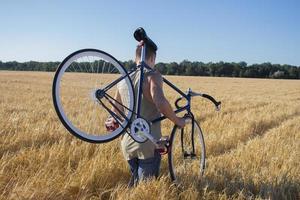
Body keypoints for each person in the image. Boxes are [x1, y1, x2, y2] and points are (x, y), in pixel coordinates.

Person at [111, 40, 185, 186]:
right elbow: (161, 102)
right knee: (145, 189)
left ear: (135, 58)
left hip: (127, 144)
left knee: (135, 183)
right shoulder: (153, 75)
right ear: (153, 58)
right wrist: (178, 121)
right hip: (148, 145)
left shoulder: (124, 79)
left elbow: (115, 111)